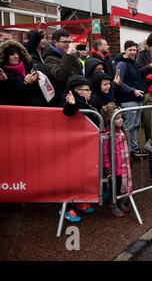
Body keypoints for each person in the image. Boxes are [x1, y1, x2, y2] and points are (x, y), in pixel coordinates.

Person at [62, 75, 97, 221]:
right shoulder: (70, 100)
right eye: (87, 90)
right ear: (77, 90)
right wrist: (70, 104)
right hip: (71, 147)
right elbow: (68, 111)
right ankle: (65, 208)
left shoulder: (85, 102)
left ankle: (78, 201)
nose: (90, 92)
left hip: (84, 146)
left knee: (81, 176)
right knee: (69, 178)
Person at [101, 103, 133, 217]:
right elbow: (104, 152)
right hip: (114, 167)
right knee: (114, 188)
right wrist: (107, 167)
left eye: (121, 117)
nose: (121, 120)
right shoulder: (107, 133)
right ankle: (113, 205)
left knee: (121, 187)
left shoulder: (121, 130)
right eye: (118, 118)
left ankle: (119, 202)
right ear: (110, 120)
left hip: (123, 165)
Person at [116, 40, 146, 159]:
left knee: (135, 126)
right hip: (128, 100)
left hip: (137, 99)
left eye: (135, 50)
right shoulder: (121, 64)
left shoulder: (134, 63)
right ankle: (127, 150)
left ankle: (133, 149)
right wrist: (133, 91)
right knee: (128, 127)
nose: (133, 52)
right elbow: (118, 82)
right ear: (125, 50)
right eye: (130, 50)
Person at [42, 29, 83, 107]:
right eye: (65, 42)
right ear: (55, 42)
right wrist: (68, 55)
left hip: (75, 96)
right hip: (61, 101)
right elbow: (61, 75)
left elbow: (79, 70)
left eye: (69, 42)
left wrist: (73, 56)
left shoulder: (69, 55)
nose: (68, 45)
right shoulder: (49, 58)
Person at [0, 39, 46, 106]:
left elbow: (36, 93)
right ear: (5, 56)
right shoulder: (3, 73)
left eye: (17, 54)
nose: (16, 56)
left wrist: (36, 81)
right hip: (17, 111)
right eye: (12, 54)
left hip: (35, 108)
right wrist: (25, 83)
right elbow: (12, 96)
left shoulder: (27, 66)